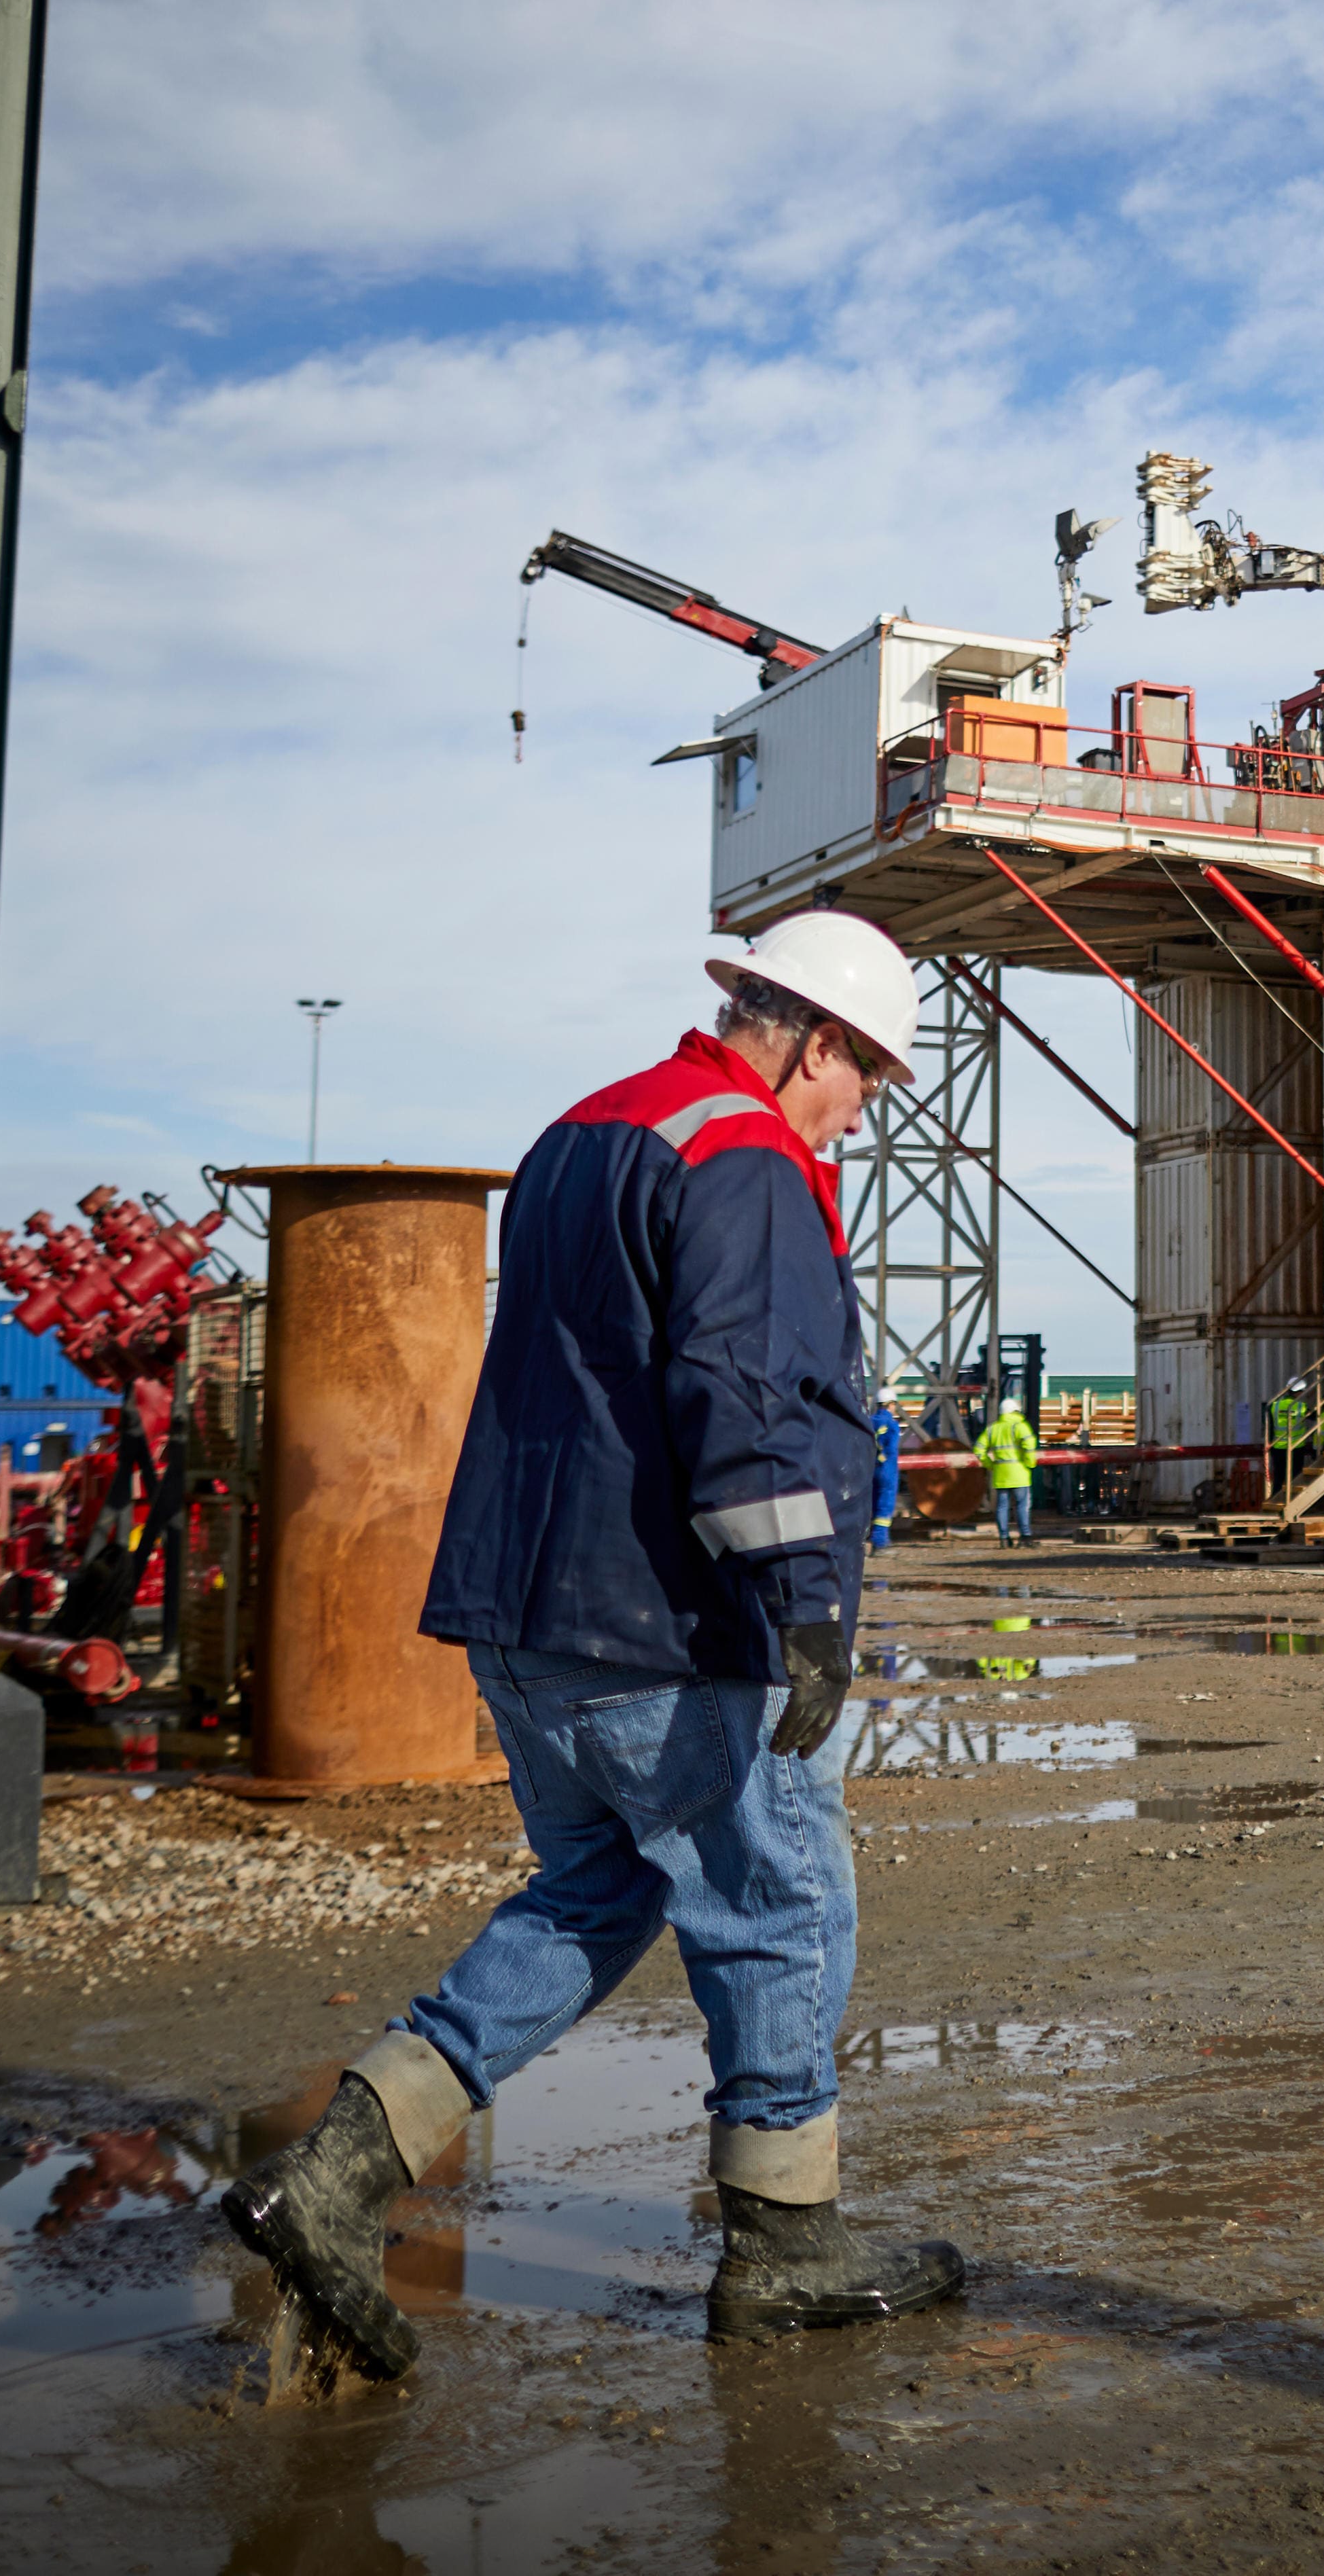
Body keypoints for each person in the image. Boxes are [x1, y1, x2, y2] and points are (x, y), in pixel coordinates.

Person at [223, 912, 961, 2373]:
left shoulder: (584, 1130)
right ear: (808, 1035)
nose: (863, 1106)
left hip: (529, 1619)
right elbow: (743, 1395)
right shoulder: (744, 1153)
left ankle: (335, 2176)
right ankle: (785, 2245)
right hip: (669, 1625)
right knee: (783, 1899)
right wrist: (807, 1599)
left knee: (595, 1894)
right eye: (863, 1073)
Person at [975, 1395, 1039, 1544]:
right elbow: (1029, 1446)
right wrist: (1030, 1463)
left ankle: (1004, 1538)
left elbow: (978, 1449)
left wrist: (989, 1464)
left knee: (1002, 1507)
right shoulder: (1020, 1426)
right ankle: (1026, 1537)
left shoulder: (992, 1429)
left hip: (1000, 1474)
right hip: (1020, 1473)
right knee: (1022, 1506)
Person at [865, 1387, 902, 1554]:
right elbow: (892, 1449)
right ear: (891, 1405)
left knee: (872, 1503)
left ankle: (867, 1537)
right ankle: (880, 1543)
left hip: (870, 1469)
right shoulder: (892, 1425)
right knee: (885, 1505)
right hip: (887, 1470)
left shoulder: (869, 1421)